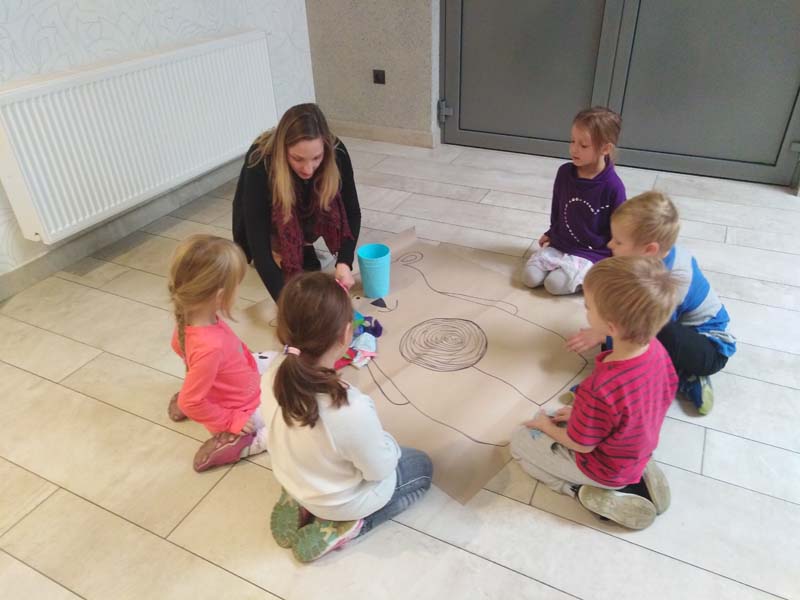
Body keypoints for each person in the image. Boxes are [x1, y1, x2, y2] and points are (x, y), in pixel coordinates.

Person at [262, 272, 433, 562]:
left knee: (326, 453)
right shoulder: (349, 407)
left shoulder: (273, 373)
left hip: (294, 477)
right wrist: (389, 444)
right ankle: (351, 525)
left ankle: (299, 499)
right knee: (421, 465)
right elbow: (378, 470)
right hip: (339, 501)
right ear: (345, 335)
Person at [512, 256, 679, 529]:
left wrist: (545, 426)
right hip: (636, 448)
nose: (586, 312)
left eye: (588, 307)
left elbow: (581, 445)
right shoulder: (658, 352)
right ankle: (642, 470)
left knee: (520, 443)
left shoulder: (600, 388)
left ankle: (580, 491)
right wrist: (581, 415)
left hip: (604, 468)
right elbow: (646, 403)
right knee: (562, 415)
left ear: (611, 328)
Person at [567, 191, 735, 414]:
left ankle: (675, 377)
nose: (610, 244)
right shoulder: (650, 259)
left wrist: (603, 335)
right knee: (615, 332)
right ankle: (673, 371)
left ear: (649, 249)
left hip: (709, 348)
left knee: (632, 333)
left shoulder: (671, 278)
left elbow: (645, 332)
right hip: (676, 328)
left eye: (618, 241)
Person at [232, 103, 361, 300]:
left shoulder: (337, 152)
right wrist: (285, 302)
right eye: (298, 159)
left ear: (326, 147)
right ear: (283, 150)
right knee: (277, 268)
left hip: (305, 207)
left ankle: (303, 244)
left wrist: (344, 262)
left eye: (317, 158)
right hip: (274, 215)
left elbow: (352, 212)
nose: (308, 169)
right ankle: (283, 247)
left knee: (325, 200)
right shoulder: (260, 159)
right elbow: (257, 238)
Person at [167, 234, 269, 471]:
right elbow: (191, 401)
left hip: (235, 385)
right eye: (237, 285)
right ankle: (242, 444)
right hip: (243, 409)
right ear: (220, 296)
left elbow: (184, 353)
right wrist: (230, 420)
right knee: (296, 418)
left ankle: (197, 396)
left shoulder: (189, 322)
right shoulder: (210, 347)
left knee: (276, 360)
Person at [522, 106, 626, 295]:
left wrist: (618, 257)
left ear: (605, 148)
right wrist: (552, 232)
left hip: (593, 251)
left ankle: (588, 275)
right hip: (561, 242)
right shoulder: (564, 172)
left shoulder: (613, 186)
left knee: (554, 285)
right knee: (530, 277)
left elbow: (622, 226)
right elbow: (557, 208)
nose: (574, 149)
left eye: (583, 145)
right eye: (572, 141)